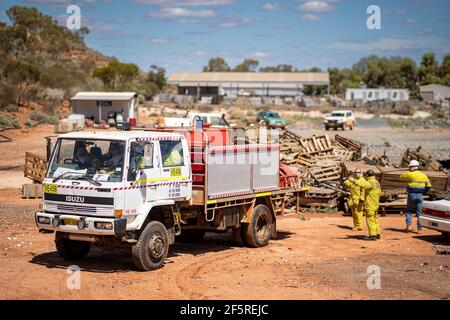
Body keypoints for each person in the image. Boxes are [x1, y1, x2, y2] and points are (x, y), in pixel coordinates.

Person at [400, 160, 432, 233]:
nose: (410, 168)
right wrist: (423, 191)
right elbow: (429, 186)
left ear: (414, 167)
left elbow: (401, 176)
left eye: (410, 167)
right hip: (420, 195)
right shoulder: (424, 175)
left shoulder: (410, 174)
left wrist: (408, 172)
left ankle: (408, 226)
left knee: (408, 210)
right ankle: (419, 229)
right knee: (419, 212)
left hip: (411, 195)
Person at [352, 170, 381, 241]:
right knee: (375, 219)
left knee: (370, 219)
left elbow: (364, 185)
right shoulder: (376, 182)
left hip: (370, 204)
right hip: (375, 204)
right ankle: (377, 233)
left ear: (367, 175)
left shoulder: (370, 182)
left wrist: (354, 180)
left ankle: (372, 235)